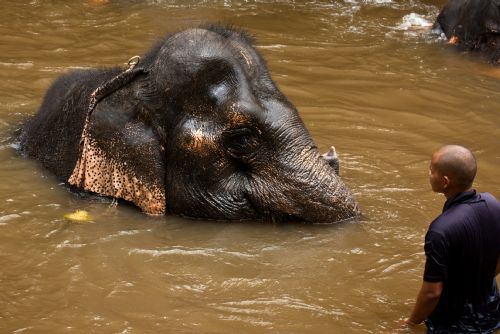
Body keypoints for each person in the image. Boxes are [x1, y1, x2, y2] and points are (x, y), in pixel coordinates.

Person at [405, 145, 500, 333]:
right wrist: (482, 279)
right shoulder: (493, 204)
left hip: (454, 326)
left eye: (432, 171)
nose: (428, 173)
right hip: (492, 314)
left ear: (445, 181)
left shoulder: (440, 230)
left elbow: (432, 293)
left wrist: (410, 323)